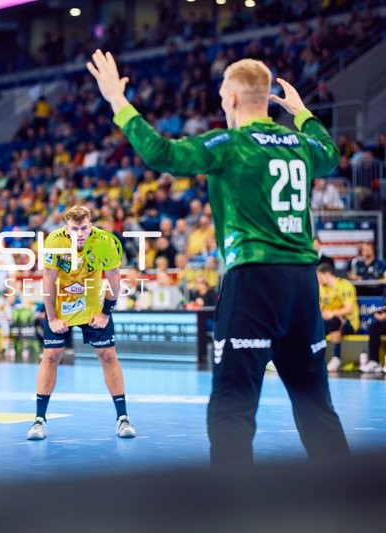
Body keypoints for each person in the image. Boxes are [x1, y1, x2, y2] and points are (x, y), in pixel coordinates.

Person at [87, 50, 349, 466]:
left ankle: (232, 500)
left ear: (231, 98)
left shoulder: (231, 144)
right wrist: (302, 114)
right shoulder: (300, 144)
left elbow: (162, 154)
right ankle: (348, 495)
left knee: (232, 407)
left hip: (254, 282)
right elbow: (331, 154)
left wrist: (118, 101)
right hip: (302, 284)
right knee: (315, 403)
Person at [26, 205, 136, 441]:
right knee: (51, 356)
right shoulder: (54, 241)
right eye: (75, 229)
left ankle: (123, 418)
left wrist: (105, 313)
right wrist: (52, 318)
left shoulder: (105, 242)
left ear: (90, 225)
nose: (80, 233)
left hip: (92, 305)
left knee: (108, 355)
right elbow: (47, 280)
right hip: (61, 306)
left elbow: (114, 279)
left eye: (84, 228)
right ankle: (39, 421)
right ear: (66, 228)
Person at [317, 262, 359, 372]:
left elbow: (349, 309)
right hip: (329, 321)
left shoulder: (345, 286)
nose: (318, 279)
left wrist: (332, 313)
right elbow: (318, 309)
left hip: (349, 322)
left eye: (319, 276)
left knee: (334, 321)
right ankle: (311, 359)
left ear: (327, 274)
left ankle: (336, 358)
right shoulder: (322, 288)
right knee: (313, 326)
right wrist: (324, 314)